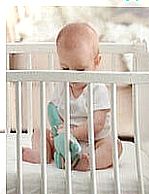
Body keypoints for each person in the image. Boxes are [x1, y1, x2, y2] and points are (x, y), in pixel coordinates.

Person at [22, 22, 121, 171]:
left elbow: (97, 123)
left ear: (96, 62)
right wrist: (56, 134)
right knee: (39, 132)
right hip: (64, 141)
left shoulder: (98, 89)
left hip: (93, 142)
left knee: (114, 145)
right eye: (65, 68)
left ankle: (88, 162)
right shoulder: (62, 86)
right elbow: (54, 111)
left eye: (80, 69)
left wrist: (72, 133)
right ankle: (42, 154)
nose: (71, 76)